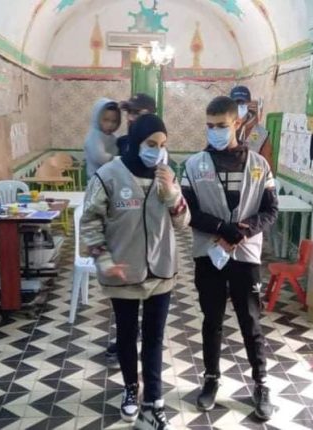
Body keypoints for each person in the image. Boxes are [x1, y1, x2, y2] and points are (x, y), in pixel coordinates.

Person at [81, 114, 189, 430]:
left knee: (154, 338)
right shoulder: (108, 176)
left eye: (163, 145)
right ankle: (131, 387)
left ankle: (153, 402)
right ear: (136, 142)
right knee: (127, 335)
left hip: (161, 270)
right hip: (124, 272)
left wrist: (172, 194)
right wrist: (104, 260)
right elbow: (89, 222)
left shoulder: (166, 175)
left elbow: (183, 222)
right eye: (151, 144)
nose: (158, 151)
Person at [182, 96, 278, 420]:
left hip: (245, 255)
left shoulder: (259, 165)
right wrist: (223, 228)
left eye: (221, 126)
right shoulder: (194, 165)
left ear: (237, 123)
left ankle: (261, 383)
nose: (215, 132)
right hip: (209, 253)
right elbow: (189, 211)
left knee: (250, 321)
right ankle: (211, 379)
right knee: (212, 319)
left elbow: (270, 210)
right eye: (209, 126)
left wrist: (242, 231)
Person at [104, 93, 158, 367]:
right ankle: (125, 339)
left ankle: (147, 348)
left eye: (139, 113)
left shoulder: (157, 148)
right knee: (124, 297)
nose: (133, 119)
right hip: (123, 230)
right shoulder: (122, 144)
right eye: (131, 113)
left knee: (151, 300)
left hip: (150, 235)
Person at [230, 86, 274, 169]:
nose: (239, 106)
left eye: (242, 103)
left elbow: (268, 166)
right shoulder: (224, 129)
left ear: (248, 104)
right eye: (236, 103)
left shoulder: (260, 133)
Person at [84, 98, 121, 178]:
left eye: (114, 121)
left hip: (109, 177)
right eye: (106, 120)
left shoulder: (114, 137)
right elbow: (100, 157)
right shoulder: (94, 136)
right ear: (97, 118)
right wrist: (118, 160)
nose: (110, 125)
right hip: (95, 179)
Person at [117, 93, 157, 157]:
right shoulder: (121, 142)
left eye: (136, 113)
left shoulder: (157, 148)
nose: (130, 118)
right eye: (129, 111)